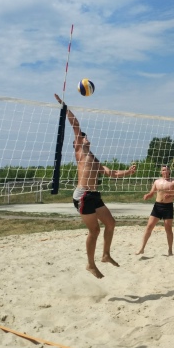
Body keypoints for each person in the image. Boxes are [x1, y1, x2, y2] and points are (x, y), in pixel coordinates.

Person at [54, 94, 136, 279]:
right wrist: (64, 107)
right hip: (83, 195)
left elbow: (111, 172)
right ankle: (90, 265)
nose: (85, 138)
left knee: (111, 223)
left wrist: (128, 172)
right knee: (95, 230)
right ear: (76, 143)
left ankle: (105, 255)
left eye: (85, 136)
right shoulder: (80, 151)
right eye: (82, 137)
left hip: (94, 195)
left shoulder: (93, 158)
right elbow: (75, 125)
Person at [136, 165, 174, 256]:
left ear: (169, 171)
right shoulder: (157, 181)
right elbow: (152, 193)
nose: (165, 171)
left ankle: (170, 250)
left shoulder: (173, 181)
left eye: (166, 169)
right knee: (149, 226)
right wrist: (148, 195)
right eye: (163, 170)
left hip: (168, 207)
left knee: (168, 229)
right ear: (161, 172)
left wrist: (171, 195)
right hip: (158, 206)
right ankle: (142, 248)